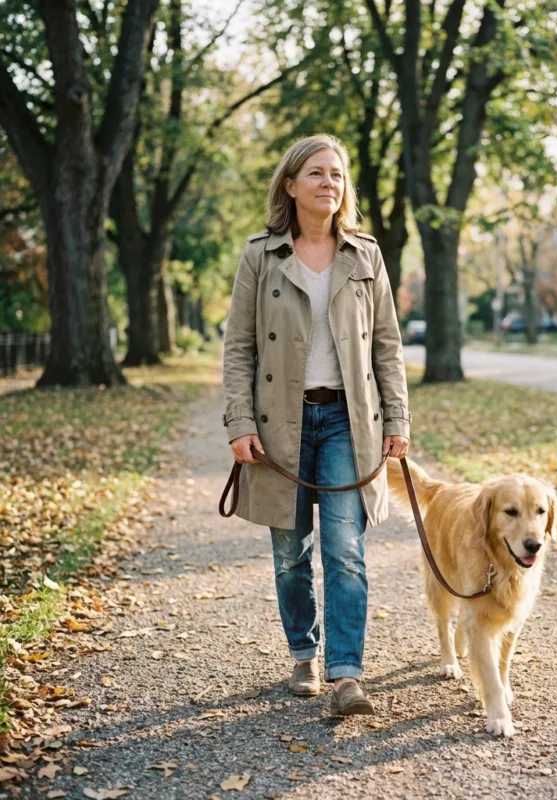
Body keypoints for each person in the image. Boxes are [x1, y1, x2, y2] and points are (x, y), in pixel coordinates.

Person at [222, 134, 411, 716]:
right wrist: (239, 421)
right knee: (290, 552)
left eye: (337, 174)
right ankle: (303, 652)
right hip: (280, 423)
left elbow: (387, 346)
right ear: (290, 184)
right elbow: (238, 349)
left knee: (346, 550)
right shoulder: (261, 255)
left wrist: (397, 418)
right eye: (316, 173)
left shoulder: (366, 255)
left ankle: (347, 675)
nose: (329, 183)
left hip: (347, 422)